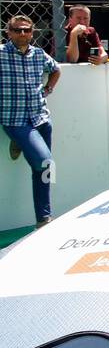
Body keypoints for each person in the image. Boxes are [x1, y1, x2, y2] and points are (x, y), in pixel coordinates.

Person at [1, 14, 60, 227]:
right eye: (17, 30)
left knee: (44, 169)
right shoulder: (1, 54)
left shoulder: (38, 54)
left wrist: (48, 89)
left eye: (27, 30)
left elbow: (55, 70)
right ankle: (44, 217)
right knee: (45, 161)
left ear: (32, 32)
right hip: (15, 120)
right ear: (8, 32)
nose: (23, 33)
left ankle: (44, 218)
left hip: (41, 117)